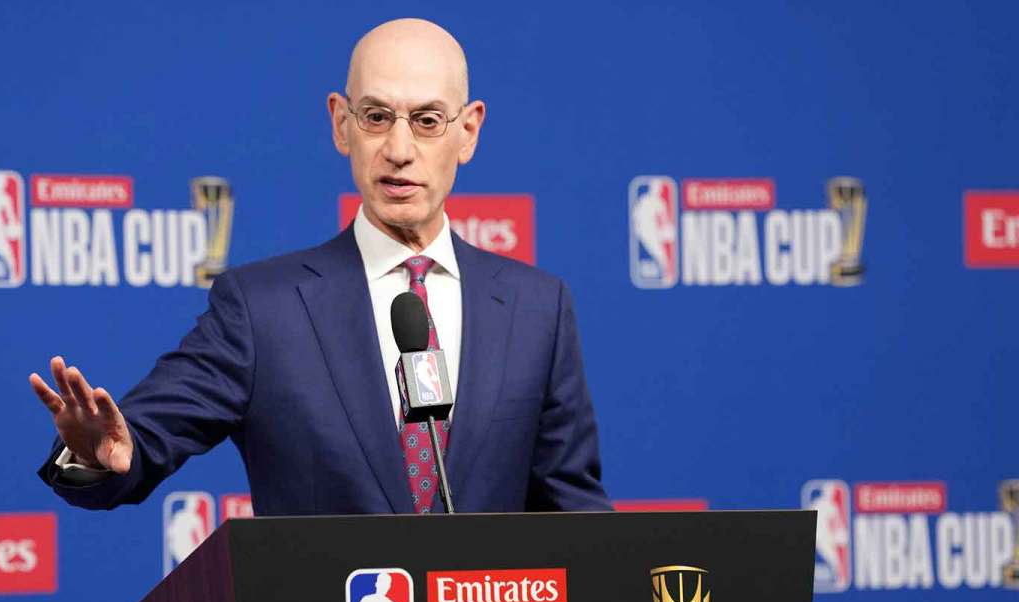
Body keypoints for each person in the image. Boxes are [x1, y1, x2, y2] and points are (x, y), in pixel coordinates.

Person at [31, 18, 610, 515]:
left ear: (468, 131)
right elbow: (136, 439)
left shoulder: (538, 308)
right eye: (377, 117)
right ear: (341, 123)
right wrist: (95, 452)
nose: (400, 149)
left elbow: (575, 515)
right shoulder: (263, 310)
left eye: (428, 120)